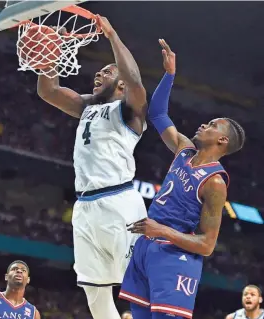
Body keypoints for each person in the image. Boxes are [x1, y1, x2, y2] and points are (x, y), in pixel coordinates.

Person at [119, 39, 246, 319]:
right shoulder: (183, 149)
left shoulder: (214, 182)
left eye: (212, 125)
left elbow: (207, 244)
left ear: (222, 140)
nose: (203, 125)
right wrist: (169, 75)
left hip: (174, 257)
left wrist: (162, 231)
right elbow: (158, 113)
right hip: (146, 245)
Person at [37, 15, 147, 319]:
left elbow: (135, 79)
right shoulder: (87, 105)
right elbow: (49, 91)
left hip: (118, 201)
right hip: (85, 206)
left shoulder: (130, 111)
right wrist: (51, 51)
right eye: (98, 71)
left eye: (107, 71)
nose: (98, 73)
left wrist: (112, 35)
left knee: (138, 284)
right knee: (94, 293)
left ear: (121, 84)